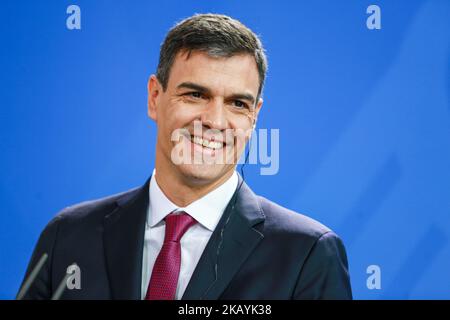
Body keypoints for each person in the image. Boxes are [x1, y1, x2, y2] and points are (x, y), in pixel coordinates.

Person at [18, 13, 352, 300]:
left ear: (254, 118)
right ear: (154, 97)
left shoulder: (307, 253)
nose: (215, 121)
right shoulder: (69, 235)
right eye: (195, 94)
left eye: (238, 103)